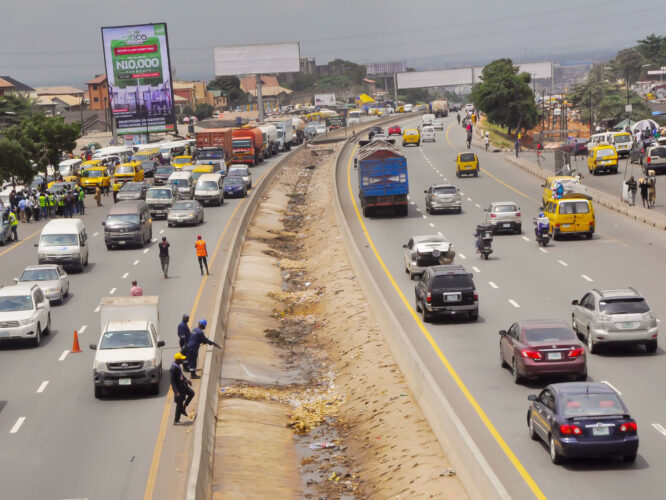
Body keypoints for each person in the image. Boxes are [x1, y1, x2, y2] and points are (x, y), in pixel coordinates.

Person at [170, 353, 194, 425]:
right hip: (178, 389)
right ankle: (176, 420)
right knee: (179, 404)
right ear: (177, 360)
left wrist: (186, 379)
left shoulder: (177, 366)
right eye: (181, 359)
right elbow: (172, 381)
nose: (183, 360)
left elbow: (181, 375)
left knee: (191, 393)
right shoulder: (173, 369)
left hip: (183, 385)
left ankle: (184, 408)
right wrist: (176, 392)